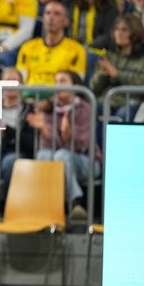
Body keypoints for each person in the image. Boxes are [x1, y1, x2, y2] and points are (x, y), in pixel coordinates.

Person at [27, 69, 102, 221]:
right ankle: (53, 206)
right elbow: (49, 147)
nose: (58, 85)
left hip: (87, 161)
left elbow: (83, 145)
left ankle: (75, 202)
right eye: (56, 82)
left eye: (63, 81)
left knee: (61, 155)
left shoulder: (84, 108)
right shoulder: (49, 109)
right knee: (44, 155)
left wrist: (68, 136)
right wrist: (45, 132)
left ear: (74, 86)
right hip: (61, 158)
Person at [89, 14, 144, 120]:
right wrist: (103, 74)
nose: (118, 33)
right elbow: (93, 86)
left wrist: (117, 74)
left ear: (135, 33)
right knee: (88, 110)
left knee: (124, 113)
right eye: (116, 29)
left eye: (124, 30)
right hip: (107, 100)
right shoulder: (109, 55)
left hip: (132, 102)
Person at [16, 0, 87, 85]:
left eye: (57, 14)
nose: (51, 17)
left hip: (59, 96)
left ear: (66, 21)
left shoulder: (77, 50)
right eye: (47, 13)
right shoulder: (27, 47)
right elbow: (21, 79)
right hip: (30, 95)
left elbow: (76, 82)